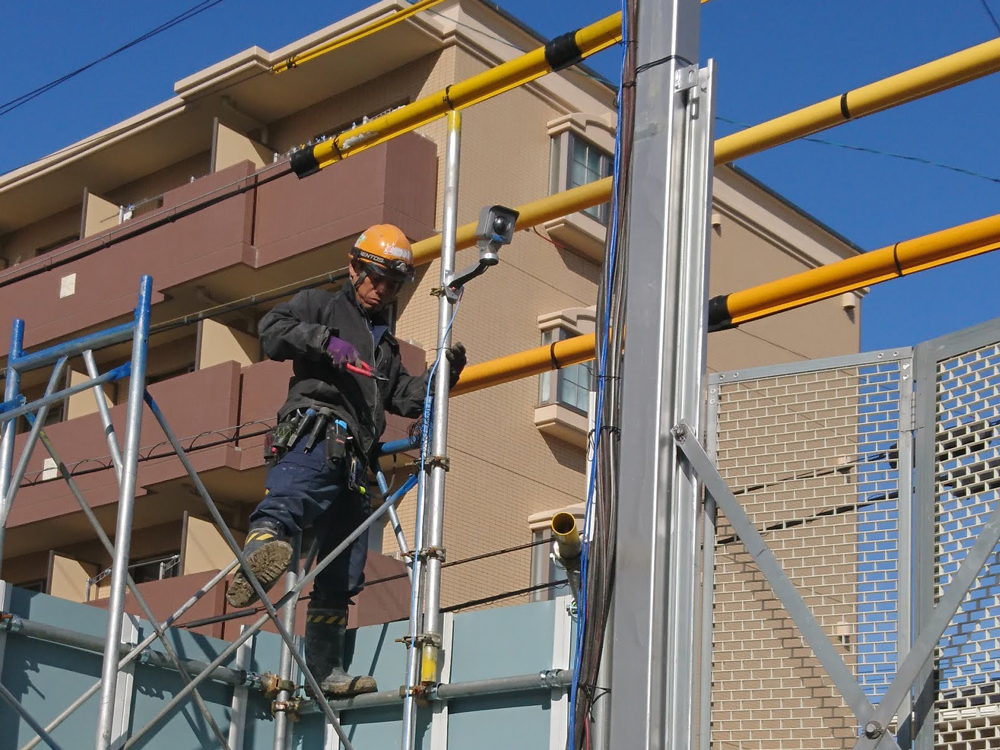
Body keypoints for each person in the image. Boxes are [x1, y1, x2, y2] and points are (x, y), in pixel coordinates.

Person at [226, 224, 466, 698]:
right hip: (318, 428)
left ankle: (324, 668)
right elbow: (271, 332)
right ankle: (259, 553)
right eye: (376, 278)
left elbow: (407, 399)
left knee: (343, 566)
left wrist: (443, 375)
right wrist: (323, 342)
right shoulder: (321, 305)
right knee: (294, 497)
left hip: (357, 456)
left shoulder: (386, 347)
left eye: (393, 284)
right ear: (353, 267)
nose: (382, 290)